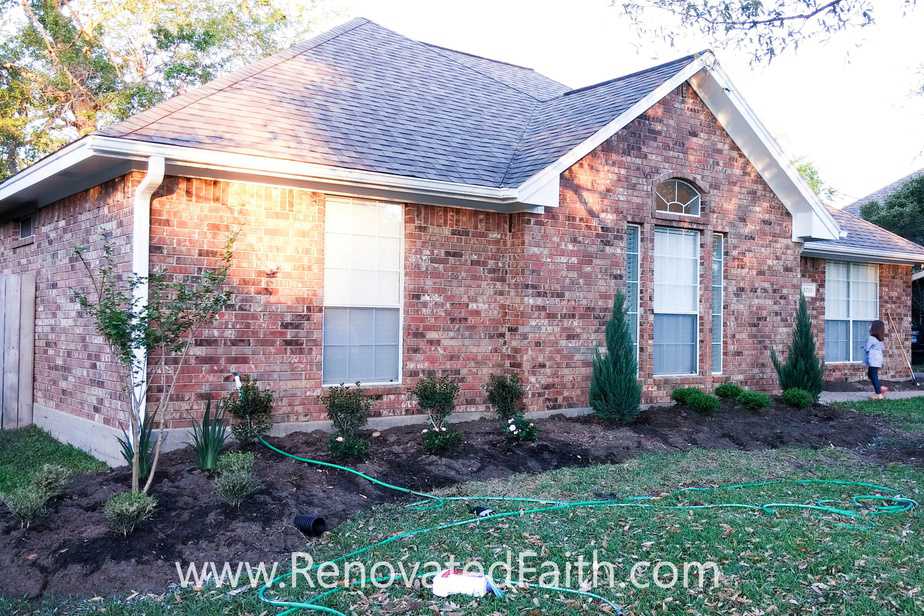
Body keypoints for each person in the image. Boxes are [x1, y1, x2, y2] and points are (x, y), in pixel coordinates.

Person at [864, 320, 889, 400]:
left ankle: (879, 394)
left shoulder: (871, 338)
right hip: (878, 360)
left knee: (873, 375)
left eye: (870, 326)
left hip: (873, 360)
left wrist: (864, 347)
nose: (869, 327)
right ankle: (879, 388)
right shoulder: (880, 339)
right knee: (871, 375)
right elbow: (882, 348)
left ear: (874, 328)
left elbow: (867, 348)